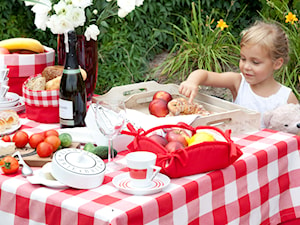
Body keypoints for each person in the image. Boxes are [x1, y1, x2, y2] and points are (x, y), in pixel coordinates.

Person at [179, 20, 299, 128]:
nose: (246, 66)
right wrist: (192, 82)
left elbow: (296, 129)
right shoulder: (238, 82)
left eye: (255, 62)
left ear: (277, 64)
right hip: (238, 149)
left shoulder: (286, 97)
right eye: (243, 58)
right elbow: (205, 75)